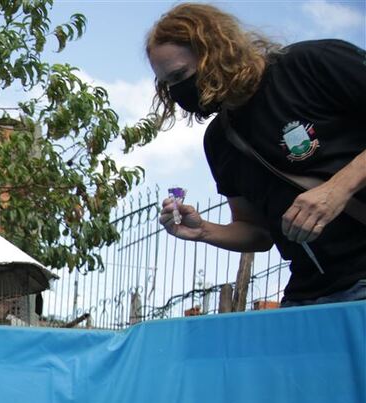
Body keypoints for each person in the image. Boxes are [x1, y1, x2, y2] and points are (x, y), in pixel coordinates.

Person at [145, 3, 366, 306]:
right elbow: (257, 233)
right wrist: (203, 230)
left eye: (181, 75)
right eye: (167, 83)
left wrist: (339, 188)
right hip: (308, 293)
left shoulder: (311, 65)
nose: (177, 92)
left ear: (216, 50)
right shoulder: (220, 140)